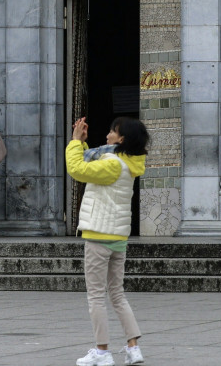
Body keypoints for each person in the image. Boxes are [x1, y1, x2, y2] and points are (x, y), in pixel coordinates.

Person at [66, 114, 149, 366]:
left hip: (98, 235)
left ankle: (102, 351)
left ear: (121, 138)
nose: (107, 135)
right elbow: (91, 160)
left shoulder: (112, 164)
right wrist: (82, 143)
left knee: (96, 296)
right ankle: (133, 347)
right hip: (118, 237)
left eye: (112, 132)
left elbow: (77, 169)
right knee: (117, 293)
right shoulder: (129, 162)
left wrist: (73, 142)